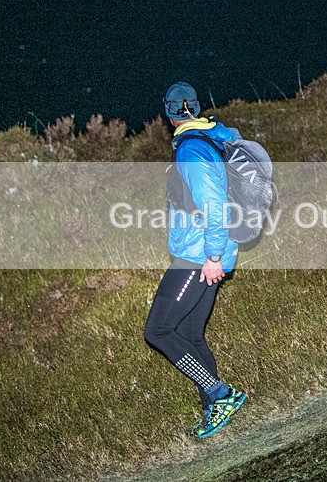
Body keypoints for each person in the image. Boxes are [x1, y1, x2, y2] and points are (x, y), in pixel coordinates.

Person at [144, 81, 246, 438]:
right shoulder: (212, 136)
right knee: (189, 332)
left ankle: (221, 393)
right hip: (208, 249)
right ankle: (214, 407)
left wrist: (214, 256)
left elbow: (214, 205)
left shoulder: (191, 150)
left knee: (158, 330)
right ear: (196, 108)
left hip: (199, 254)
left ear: (169, 114)